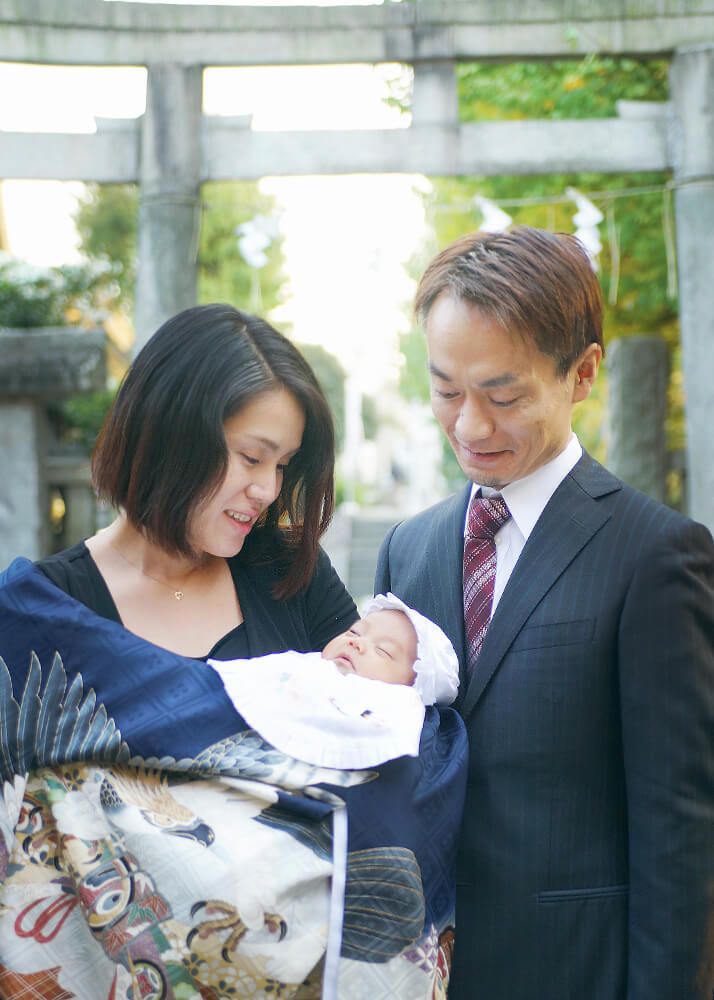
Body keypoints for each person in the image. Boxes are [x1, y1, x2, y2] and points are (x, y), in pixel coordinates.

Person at [374, 226, 714, 1000]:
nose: (469, 426)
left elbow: (681, 831)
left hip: (576, 972)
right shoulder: (410, 550)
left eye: (503, 394)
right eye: (446, 391)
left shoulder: (656, 556)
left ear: (582, 373)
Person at [36, 302, 359, 660]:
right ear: (171, 432)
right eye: (252, 458)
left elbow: (380, 705)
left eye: (282, 465)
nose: (268, 490)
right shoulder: (41, 609)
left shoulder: (292, 574)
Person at [210, 592, 460, 768]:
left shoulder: (396, 722)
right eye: (354, 631)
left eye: (383, 650)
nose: (356, 642)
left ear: (412, 692)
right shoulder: (302, 665)